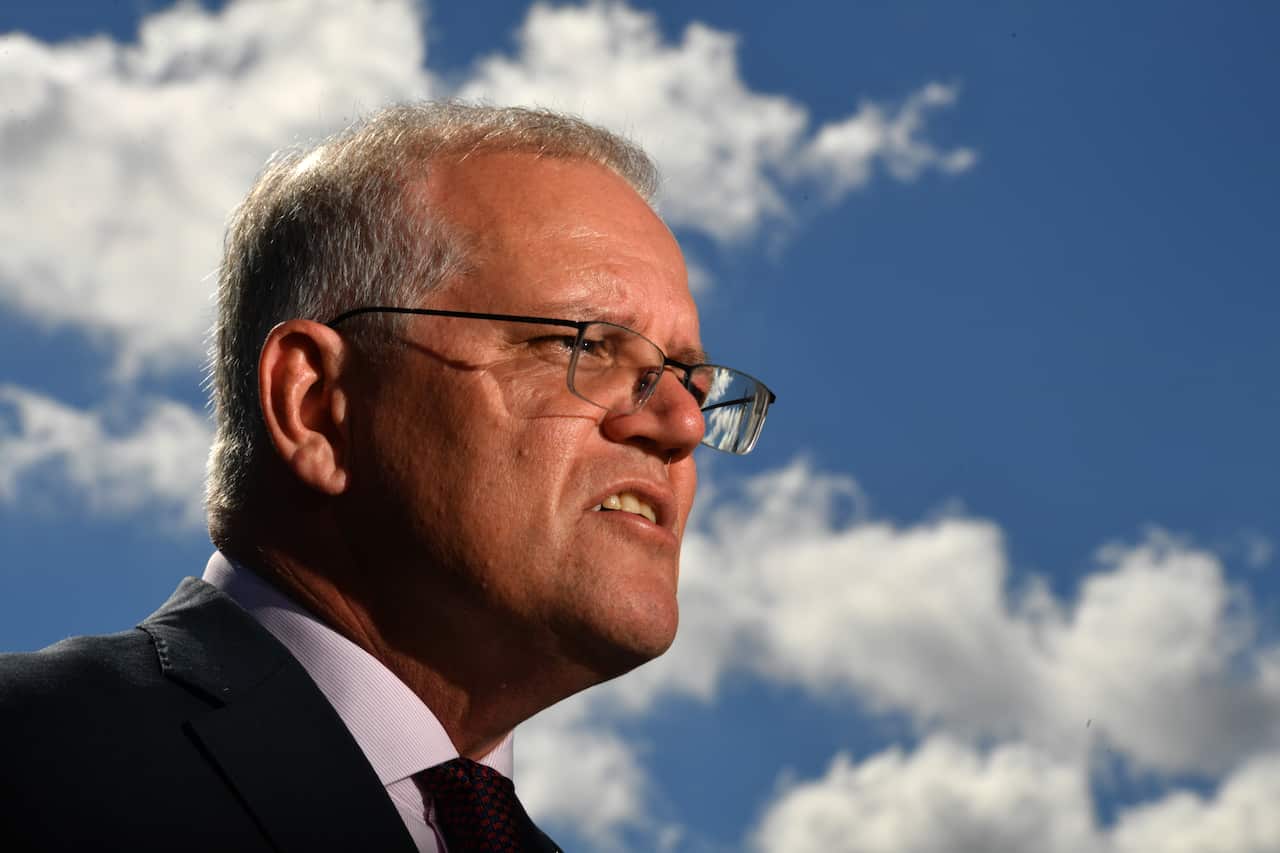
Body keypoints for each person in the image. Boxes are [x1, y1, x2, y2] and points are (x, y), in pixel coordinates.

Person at [0, 102, 774, 851]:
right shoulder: (32, 759)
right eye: (589, 347)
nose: (684, 424)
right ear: (315, 404)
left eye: (692, 380)